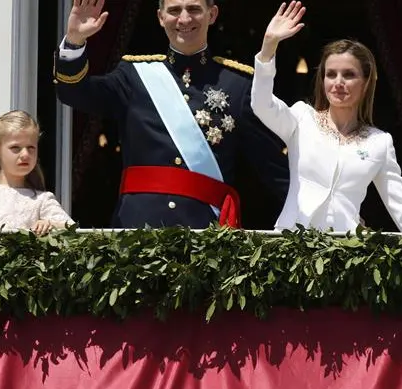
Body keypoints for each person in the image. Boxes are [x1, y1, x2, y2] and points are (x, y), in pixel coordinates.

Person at [54, 0, 289, 229]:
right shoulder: (133, 76)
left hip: (207, 237)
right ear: (160, 17)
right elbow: (74, 93)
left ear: (212, 14)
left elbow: (273, 168)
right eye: (174, 10)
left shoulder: (237, 86)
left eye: (194, 9)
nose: (184, 19)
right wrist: (75, 41)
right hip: (137, 232)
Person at [251, 1, 402, 233]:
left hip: (345, 253)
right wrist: (268, 47)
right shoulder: (302, 118)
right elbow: (261, 104)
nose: (338, 83)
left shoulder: (379, 142)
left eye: (349, 75)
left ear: (366, 83)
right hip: (292, 245)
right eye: (331, 74)